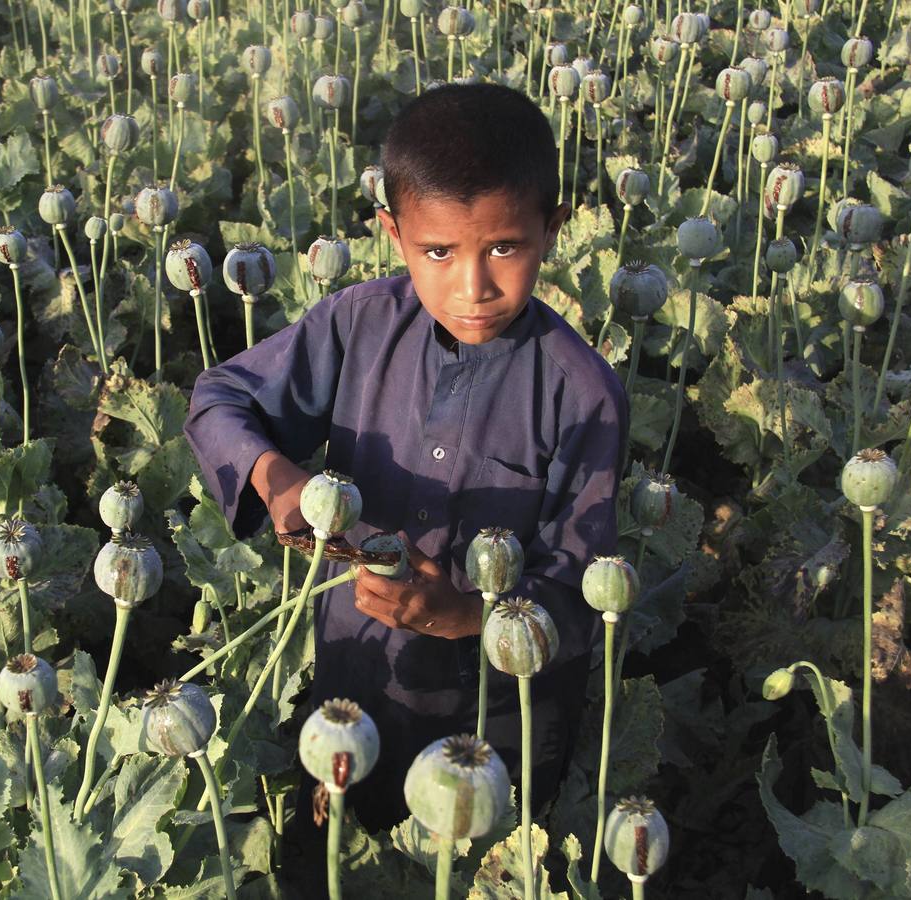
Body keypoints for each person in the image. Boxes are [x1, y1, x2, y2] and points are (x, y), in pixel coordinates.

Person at [183, 82, 629, 833]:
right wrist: (278, 478)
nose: (473, 285)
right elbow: (221, 398)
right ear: (393, 234)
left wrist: (463, 615)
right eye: (437, 251)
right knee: (338, 853)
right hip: (352, 684)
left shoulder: (582, 393)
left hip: (495, 726)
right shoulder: (356, 323)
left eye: (504, 247)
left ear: (551, 229)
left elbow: (586, 594)